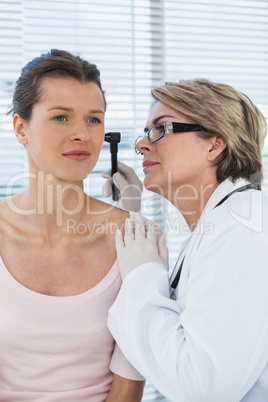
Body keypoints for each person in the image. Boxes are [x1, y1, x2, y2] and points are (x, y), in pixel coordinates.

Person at [107, 79, 268, 401]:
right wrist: (130, 215)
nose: (141, 145)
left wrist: (143, 272)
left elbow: (203, 387)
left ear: (214, 145)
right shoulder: (224, 221)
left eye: (161, 129)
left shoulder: (244, 226)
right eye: (146, 132)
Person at [0, 49, 145, 401]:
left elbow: (129, 381)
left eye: (94, 120)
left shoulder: (136, 239)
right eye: (61, 118)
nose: (82, 134)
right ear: (21, 128)